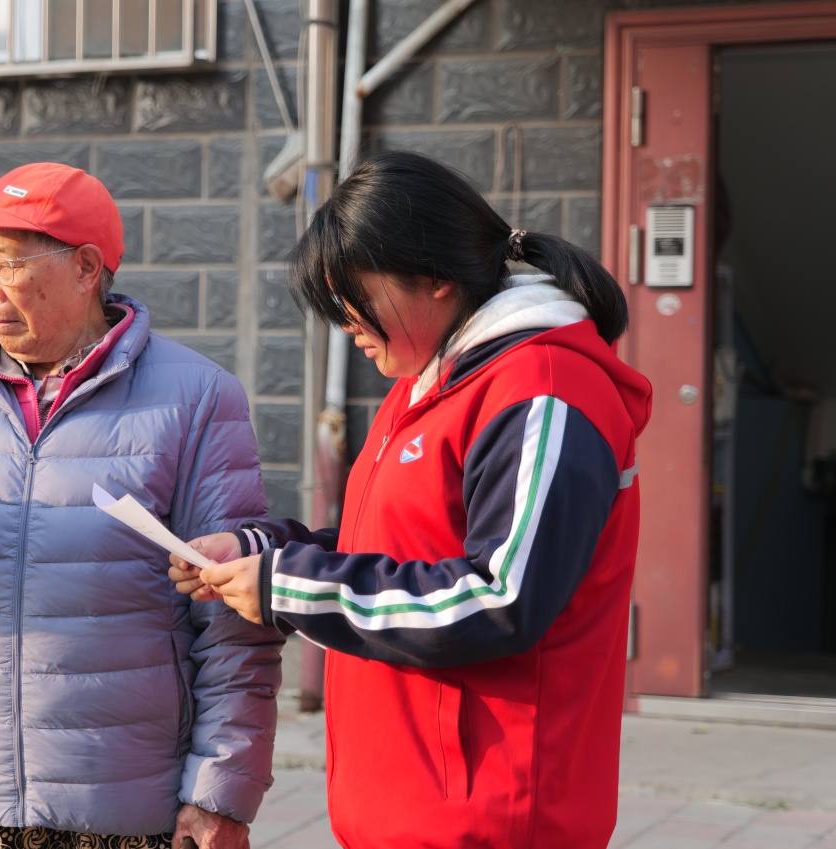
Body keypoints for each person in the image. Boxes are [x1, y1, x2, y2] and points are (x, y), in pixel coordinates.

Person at [170, 150, 653, 848]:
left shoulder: (544, 388)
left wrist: (286, 586)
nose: (345, 323)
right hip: (410, 807)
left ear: (431, 277)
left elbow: (500, 595)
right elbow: (389, 547)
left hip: (493, 816)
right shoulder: (427, 382)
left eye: (354, 296)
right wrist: (258, 550)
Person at [0, 162, 283, 849]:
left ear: (86, 269)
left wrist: (220, 791)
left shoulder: (198, 397)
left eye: (9, 265)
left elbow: (232, 618)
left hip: (130, 802)